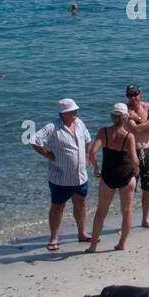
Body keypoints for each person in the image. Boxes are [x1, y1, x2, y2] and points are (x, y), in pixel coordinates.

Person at [30, 98, 94, 250]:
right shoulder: (53, 127)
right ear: (64, 113)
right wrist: (47, 154)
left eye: (76, 110)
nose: (76, 112)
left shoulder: (79, 123)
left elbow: (88, 141)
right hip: (60, 178)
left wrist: (87, 158)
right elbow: (34, 140)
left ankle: (82, 233)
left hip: (80, 177)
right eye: (73, 111)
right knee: (58, 207)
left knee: (81, 205)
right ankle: (54, 238)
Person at [85, 104, 139, 252]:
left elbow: (92, 153)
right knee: (127, 210)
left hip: (108, 174)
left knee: (101, 211)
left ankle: (93, 245)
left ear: (112, 117)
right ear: (125, 118)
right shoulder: (129, 136)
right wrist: (136, 169)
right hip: (125, 174)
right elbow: (134, 159)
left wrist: (96, 167)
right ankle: (122, 243)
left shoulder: (104, 132)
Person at [124, 84, 149, 230]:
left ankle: (145, 219)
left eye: (135, 94)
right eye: (129, 95)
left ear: (140, 93)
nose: (132, 98)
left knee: (148, 188)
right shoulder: (125, 110)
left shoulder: (147, 106)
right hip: (132, 153)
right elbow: (136, 129)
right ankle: (125, 223)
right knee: (128, 189)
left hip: (147, 150)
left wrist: (141, 120)